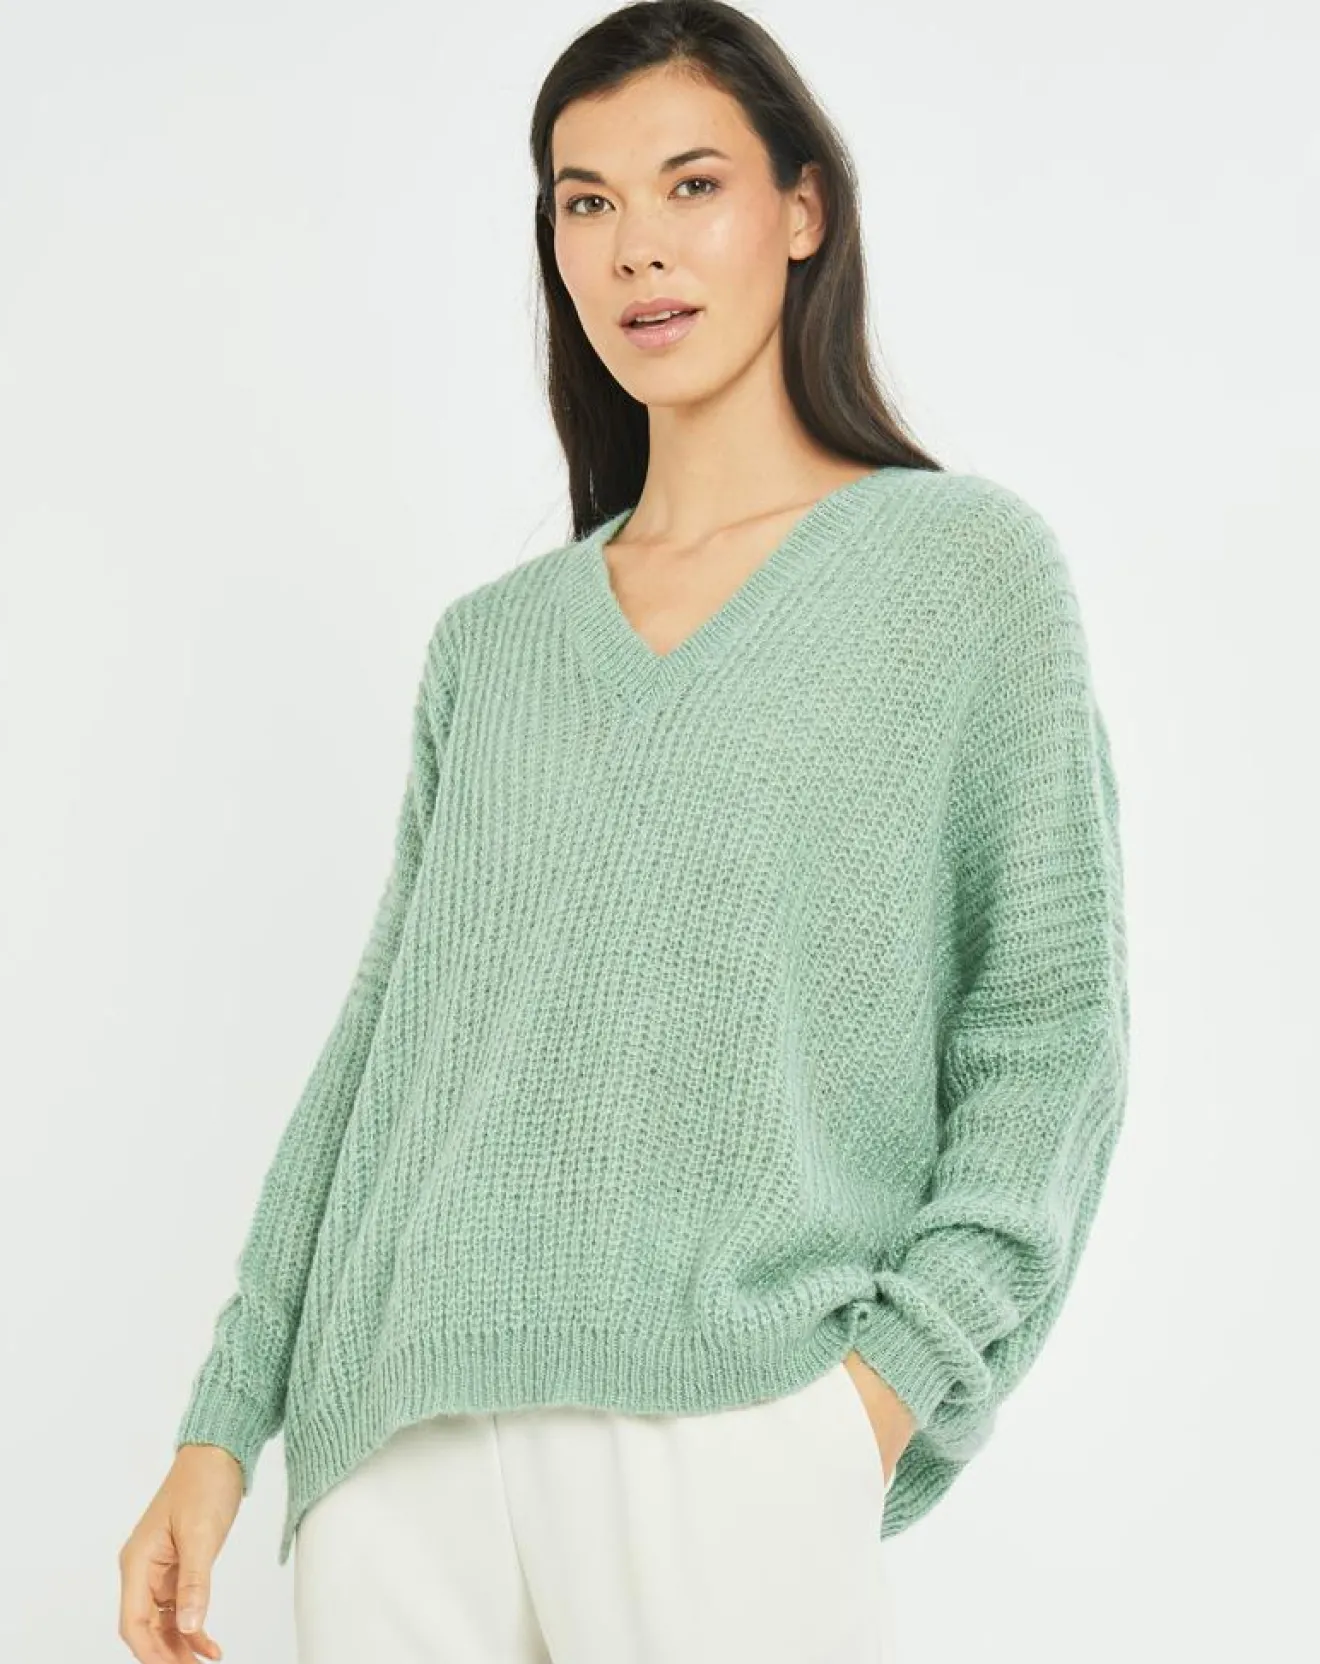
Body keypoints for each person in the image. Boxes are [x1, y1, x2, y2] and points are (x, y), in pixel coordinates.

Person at [117, 3, 1130, 1660]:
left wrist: (881, 1394)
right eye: (585, 202)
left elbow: (1049, 1030)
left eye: (691, 185)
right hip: (400, 1452)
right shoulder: (493, 648)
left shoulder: (961, 575)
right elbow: (379, 1052)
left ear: (802, 210)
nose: (636, 249)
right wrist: (224, 1425)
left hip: (733, 1436)